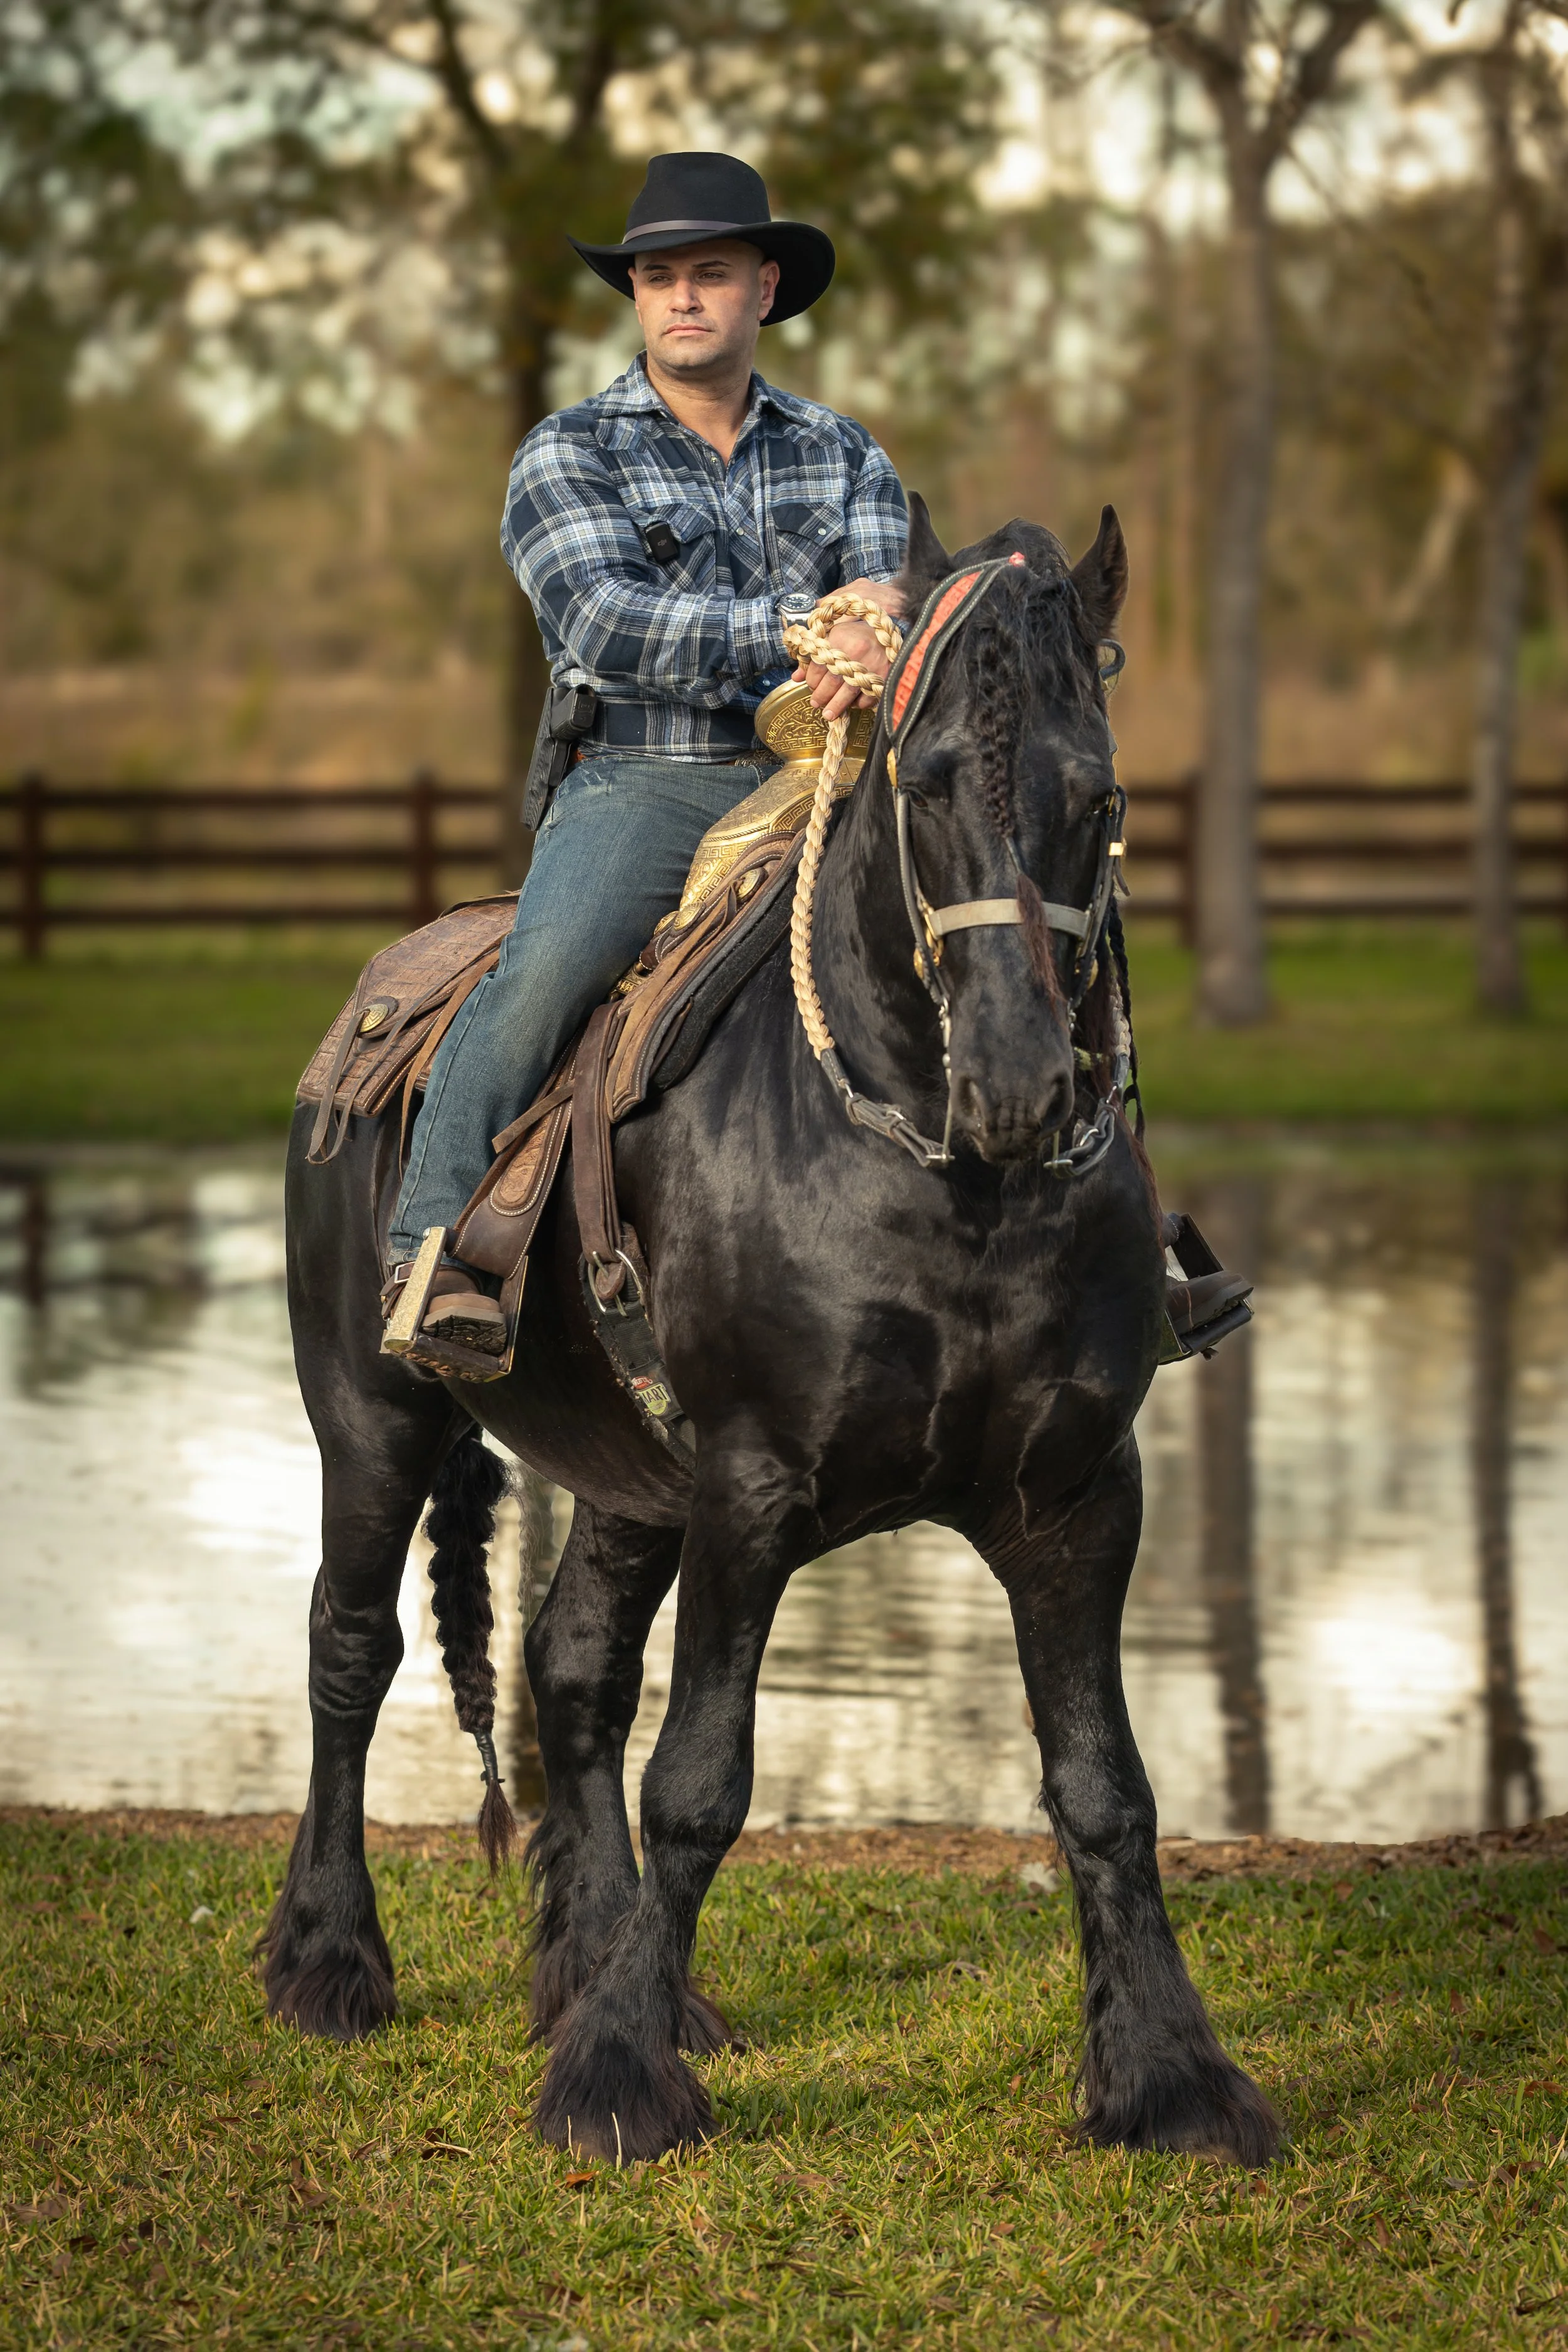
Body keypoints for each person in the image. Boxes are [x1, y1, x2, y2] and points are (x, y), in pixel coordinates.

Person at [384, 152, 909, 1352]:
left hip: (828, 778)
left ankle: (1113, 1240)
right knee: (551, 969)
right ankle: (430, 1257)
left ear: (764, 288)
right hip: (643, 779)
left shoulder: (844, 450)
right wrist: (805, 630)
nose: (682, 297)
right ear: (635, 297)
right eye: (659, 275)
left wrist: (875, 621)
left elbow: (891, 596)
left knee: (1002, 915)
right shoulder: (570, 452)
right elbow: (603, 621)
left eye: (711, 273)